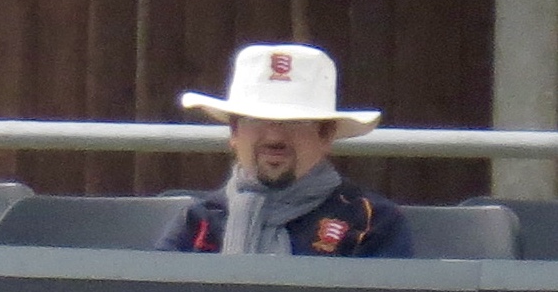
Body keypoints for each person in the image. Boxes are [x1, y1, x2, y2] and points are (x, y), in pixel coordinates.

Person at [165, 43, 410, 257]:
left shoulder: (371, 222)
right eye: (255, 120)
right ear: (234, 132)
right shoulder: (197, 221)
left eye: (296, 122)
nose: (274, 137)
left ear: (326, 135)